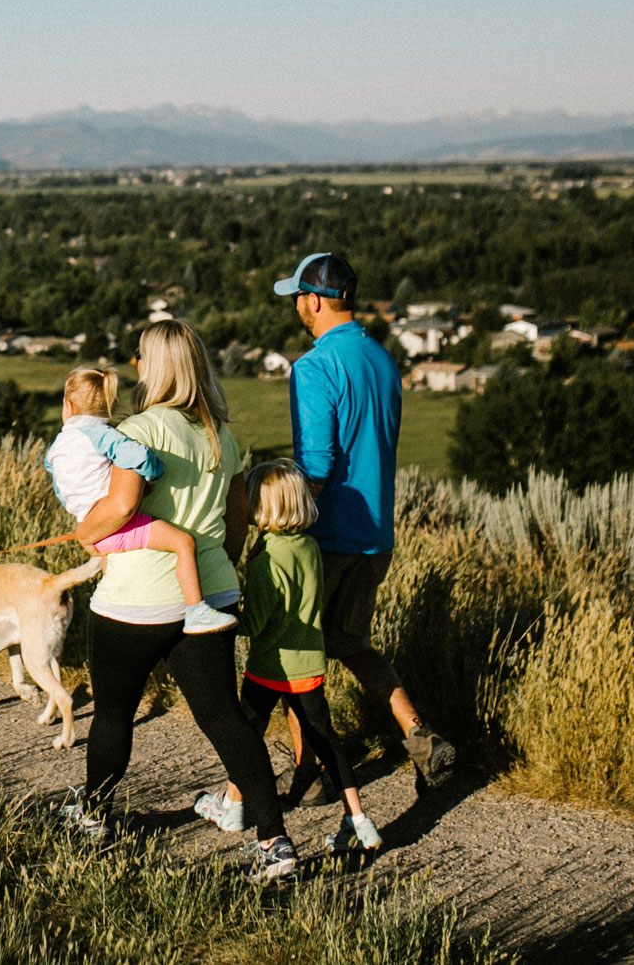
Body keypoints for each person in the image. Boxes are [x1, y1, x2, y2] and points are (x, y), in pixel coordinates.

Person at [56, 320, 300, 879]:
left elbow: (119, 506)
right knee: (225, 719)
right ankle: (274, 843)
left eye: (141, 357)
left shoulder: (138, 430)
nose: (137, 367)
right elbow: (237, 524)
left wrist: (86, 533)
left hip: (138, 594)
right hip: (210, 590)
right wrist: (219, 571)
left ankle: (93, 815)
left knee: (116, 711)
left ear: (155, 367)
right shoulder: (223, 435)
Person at [273, 251, 457, 790]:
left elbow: (316, 467)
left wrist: (274, 522)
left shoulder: (313, 367)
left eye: (297, 299)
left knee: (296, 655)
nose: (297, 308)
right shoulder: (382, 360)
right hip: (376, 532)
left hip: (326, 533)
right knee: (352, 642)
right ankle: (419, 733)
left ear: (312, 300)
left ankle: (313, 773)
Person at [193, 459, 382, 856]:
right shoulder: (310, 546)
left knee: (245, 735)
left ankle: (234, 805)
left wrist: (221, 615)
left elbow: (257, 624)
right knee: (327, 740)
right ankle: (359, 821)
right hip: (309, 665)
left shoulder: (266, 560)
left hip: (269, 667)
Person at [44, 366, 236, 634]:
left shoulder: (57, 447)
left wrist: (81, 511)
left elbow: (56, 480)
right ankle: (196, 610)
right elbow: (138, 458)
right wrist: (155, 474)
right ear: (110, 406)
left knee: (112, 556)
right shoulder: (103, 436)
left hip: (89, 520)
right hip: (115, 523)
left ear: (68, 407)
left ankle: (107, 590)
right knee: (183, 543)